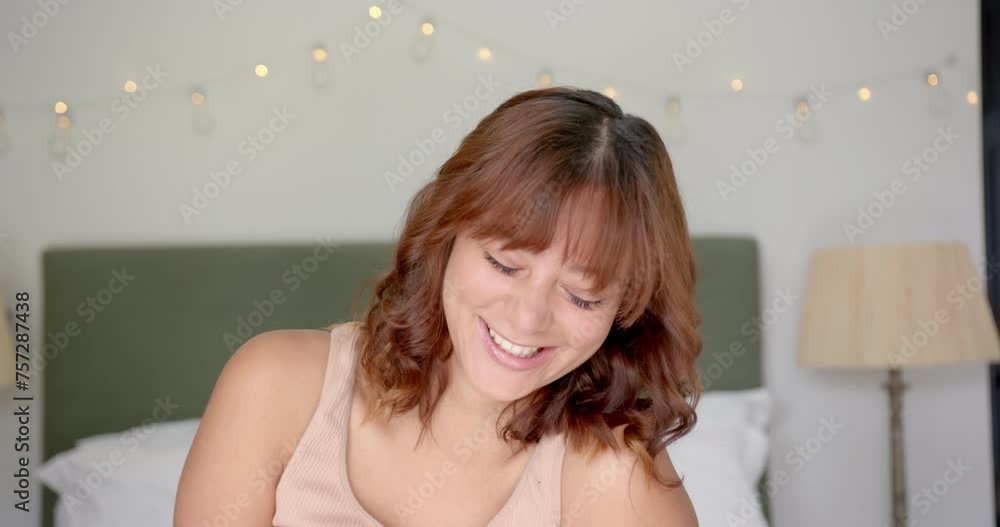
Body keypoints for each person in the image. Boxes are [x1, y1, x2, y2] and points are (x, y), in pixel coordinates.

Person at [174, 87, 702, 526]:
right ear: (446, 233)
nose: (527, 318)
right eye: (503, 264)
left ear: (627, 307)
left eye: (582, 295)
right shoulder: (277, 385)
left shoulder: (614, 475)